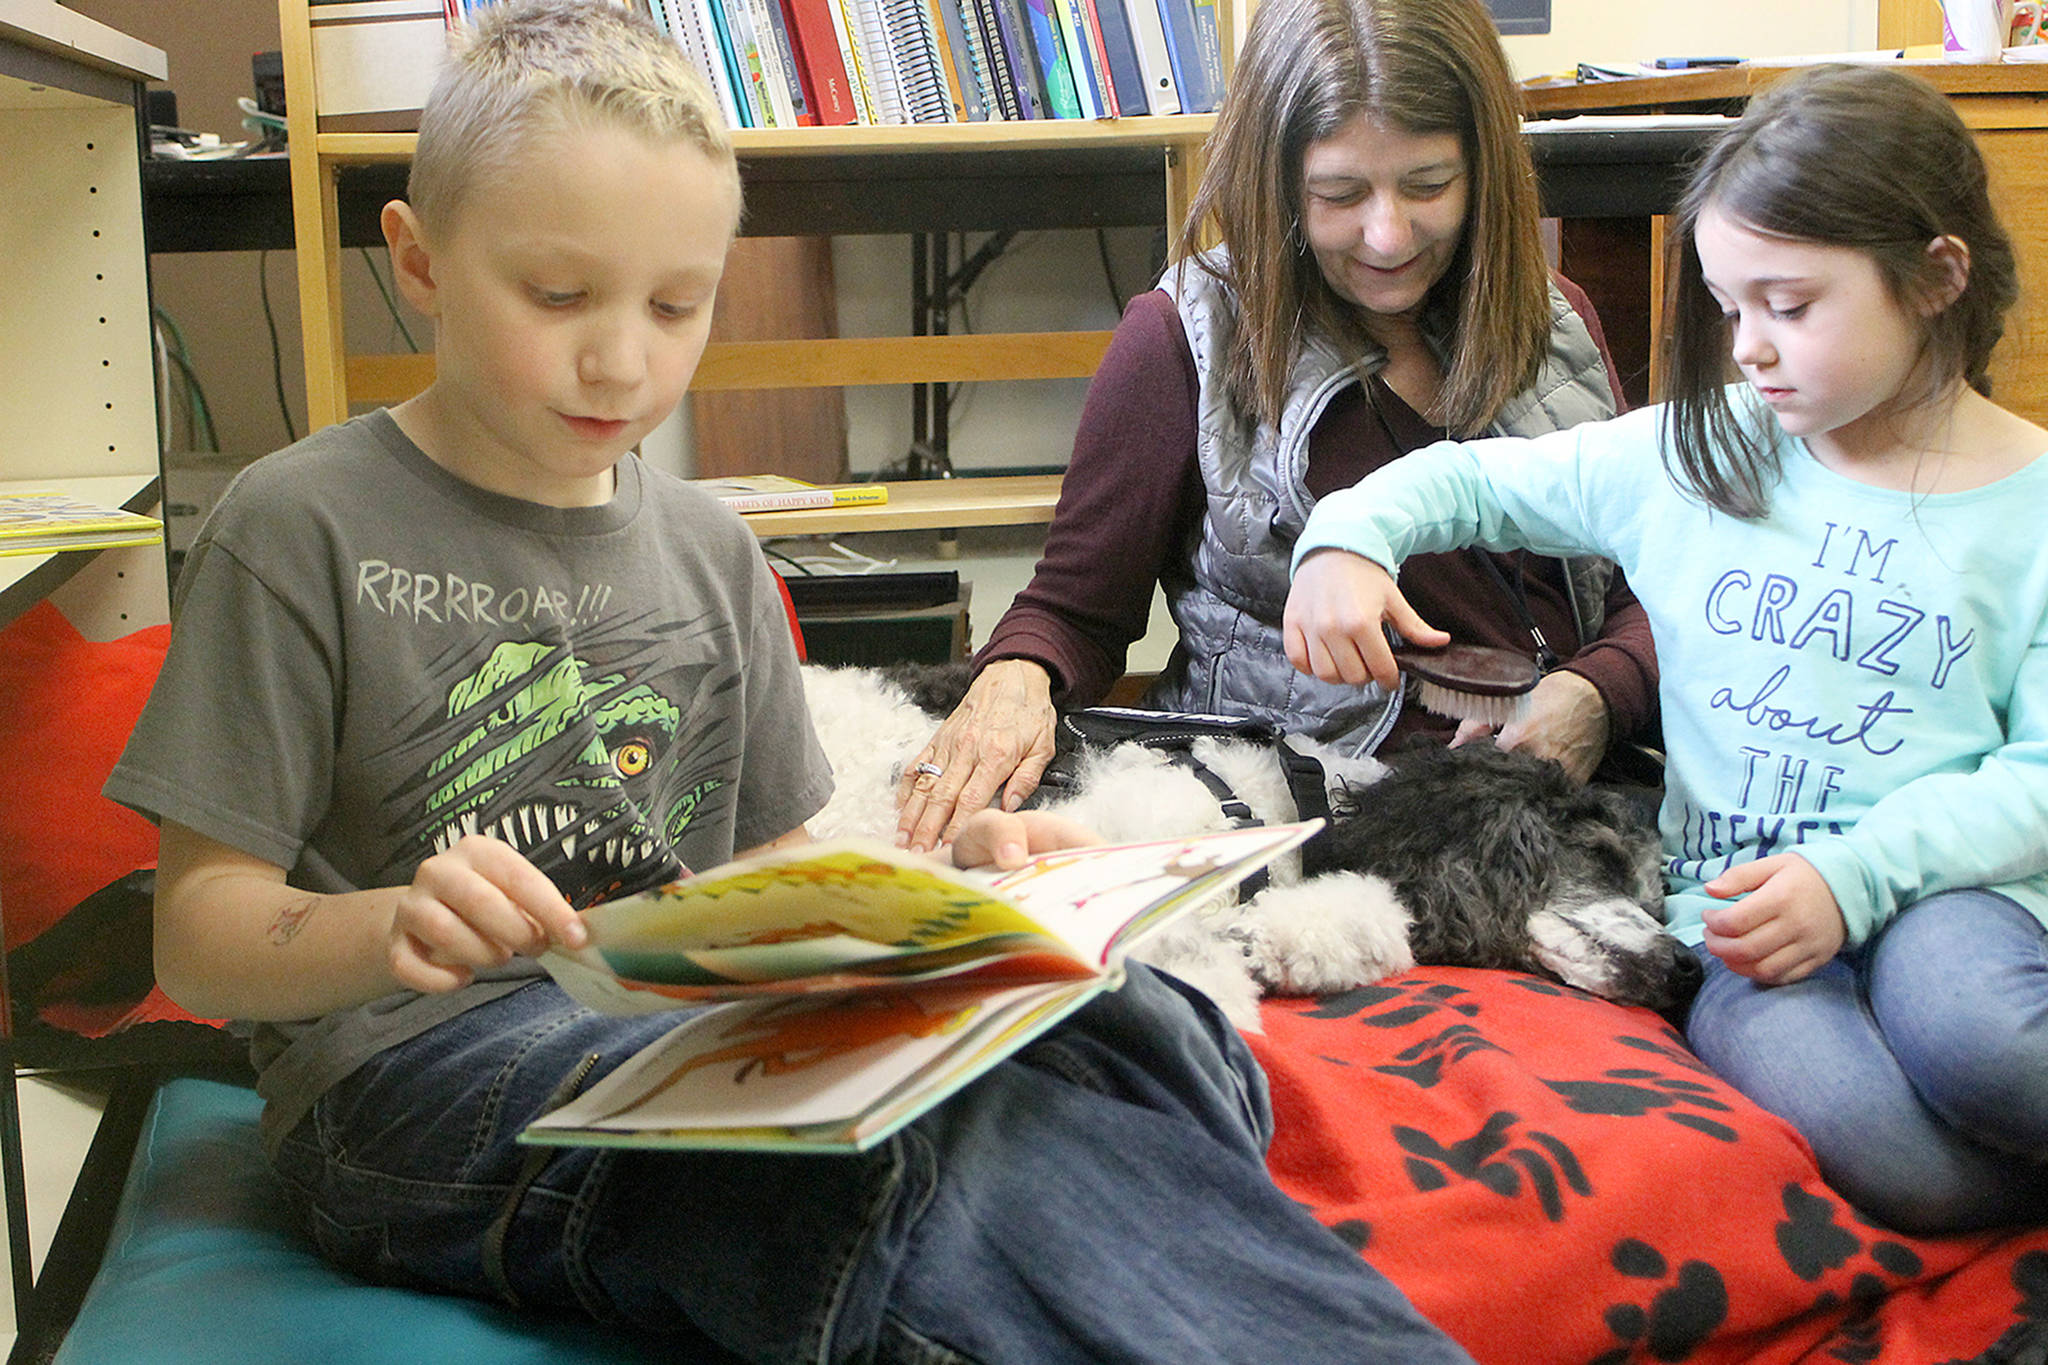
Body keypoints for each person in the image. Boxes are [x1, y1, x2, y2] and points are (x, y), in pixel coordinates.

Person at [104, 4, 1478, 1360]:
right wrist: (390, 924)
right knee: (840, 1161)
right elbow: (198, 931)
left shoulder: (708, 548)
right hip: (416, 1073)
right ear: (417, 261)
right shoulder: (299, 527)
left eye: (676, 304)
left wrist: (966, 907)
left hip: (691, 1025)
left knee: (1117, 1017)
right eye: (558, 295)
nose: (622, 357)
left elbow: (770, 877)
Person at [1283, 63, 2048, 1236]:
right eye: (1727, 307)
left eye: (1787, 307)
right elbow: (1468, 480)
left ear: (1935, 278)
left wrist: (1852, 880)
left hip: (1955, 894)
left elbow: (2038, 775)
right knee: (1903, 1169)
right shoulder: (1696, 452)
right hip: (1733, 918)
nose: (1745, 347)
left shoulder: (2028, 504)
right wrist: (1344, 541)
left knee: (1985, 1048)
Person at [895, 0, 1659, 853]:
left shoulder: (1557, 324)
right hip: (1294, 824)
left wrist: (1596, 694)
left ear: (1486, 173)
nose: (1388, 233)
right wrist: (1016, 680)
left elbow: (1653, 587)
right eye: (1340, 193)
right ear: (1278, 180)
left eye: (1428, 185)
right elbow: (1075, 610)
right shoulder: (1181, 337)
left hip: (1568, 809)